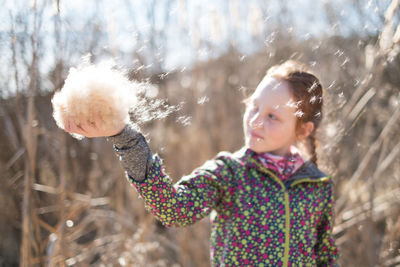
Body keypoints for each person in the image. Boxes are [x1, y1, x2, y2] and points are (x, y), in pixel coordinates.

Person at [63, 60, 339, 266]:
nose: (255, 121)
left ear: (303, 130)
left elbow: (325, 255)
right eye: (254, 106)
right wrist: (124, 137)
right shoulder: (229, 173)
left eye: (272, 117)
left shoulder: (318, 186)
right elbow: (172, 210)